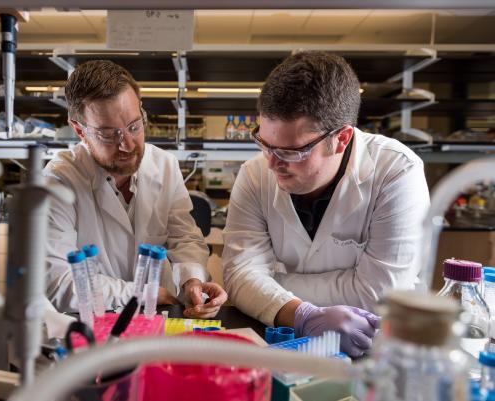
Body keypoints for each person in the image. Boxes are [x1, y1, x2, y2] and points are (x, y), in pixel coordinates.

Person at [222, 51, 430, 356]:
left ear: (342, 138)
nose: (272, 163)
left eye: (292, 151)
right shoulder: (254, 174)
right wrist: (302, 316)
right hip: (285, 340)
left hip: (377, 347)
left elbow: (379, 295)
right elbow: (239, 276)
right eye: (265, 144)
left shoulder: (397, 171)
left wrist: (271, 285)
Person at [44, 60, 227, 318]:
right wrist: (138, 293)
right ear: (79, 130)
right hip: (91, 325)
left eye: (134, 126)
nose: (127, 145)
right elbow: (56, 281)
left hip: (157, 320)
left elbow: (184, 238)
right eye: (108, 134)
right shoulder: (58, 182)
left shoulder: (165, 165)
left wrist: (192, 282)